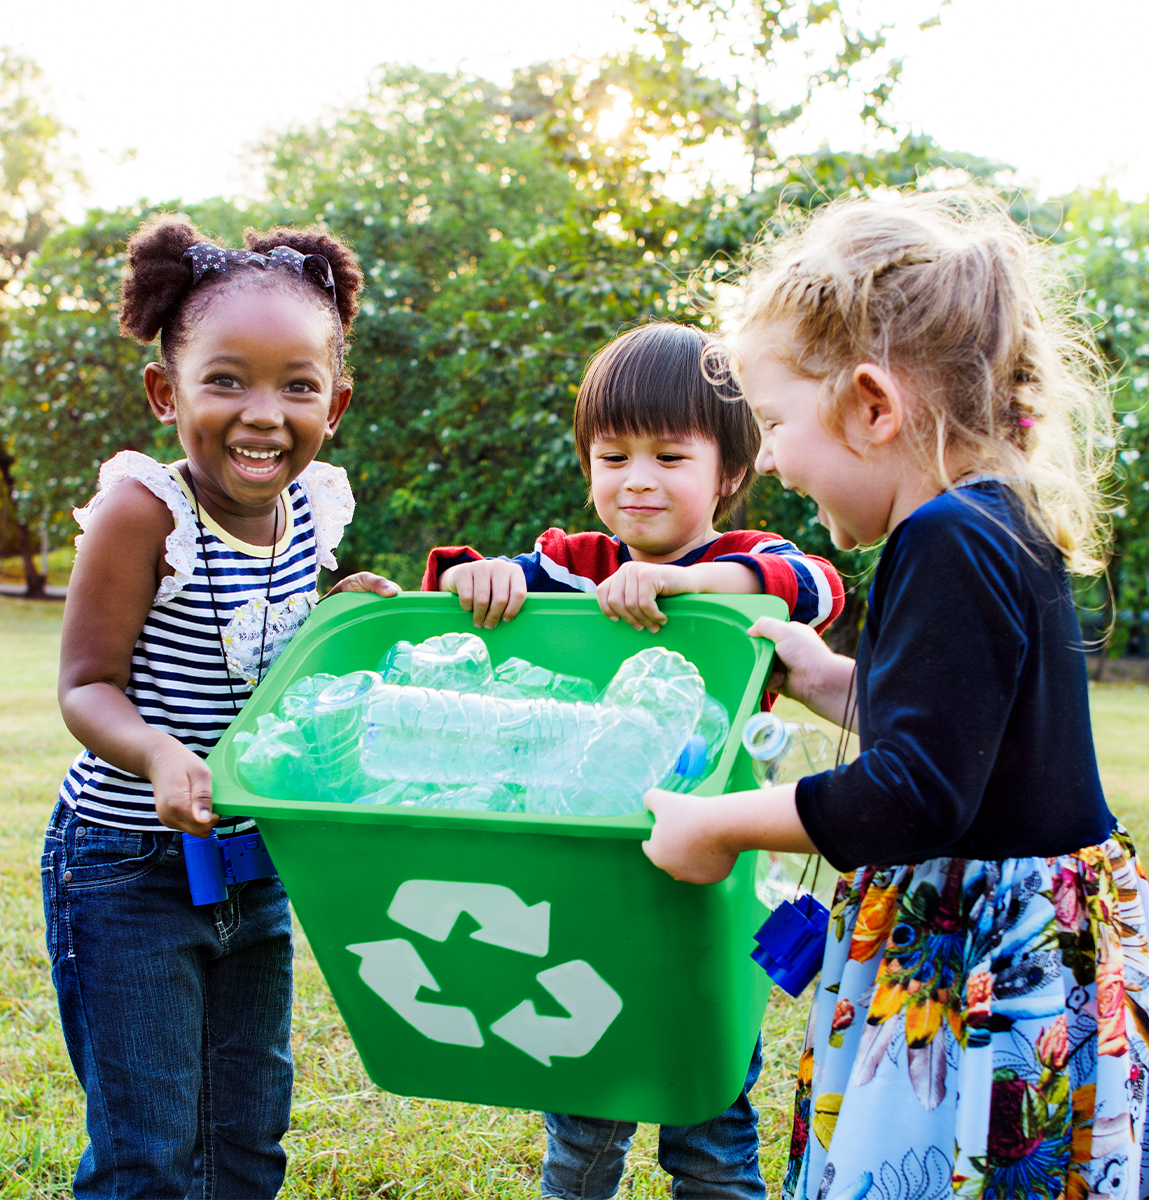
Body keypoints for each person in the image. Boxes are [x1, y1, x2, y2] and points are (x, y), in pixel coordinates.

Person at [642, 192, 1149, 1199]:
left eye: (778, 423)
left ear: (874, 407)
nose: (774, 459)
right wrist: (825, 673)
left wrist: (719, 826)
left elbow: (915, 793)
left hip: (984, 967)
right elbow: (965, 736)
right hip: (1048, 940)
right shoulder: (998, 518)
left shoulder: (940, 539)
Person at [421, 322, 845, 1200]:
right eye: (612, 456)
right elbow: (473, 594)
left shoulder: (743, 563)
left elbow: (810, 585)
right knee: (583, 1113)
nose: (636, 480)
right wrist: (481, 578)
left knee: (712, 1125)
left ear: (728, 473)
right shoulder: (576, 565)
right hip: (583, 885)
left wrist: (680, 582)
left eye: (668, 456)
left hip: (707, 892)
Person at [47, 213, 379, 1199]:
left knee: (248, 1129)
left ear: (338, 401)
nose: (262, 413)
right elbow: (85, 684)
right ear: (166, 392)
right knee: (149, 1144)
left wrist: (340, 619)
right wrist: (153, 754)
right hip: (126, 867)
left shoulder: (319, 504)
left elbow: (272, 656)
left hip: (255, 861)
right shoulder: (141, 512)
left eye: (297, 384)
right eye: (225, 379)